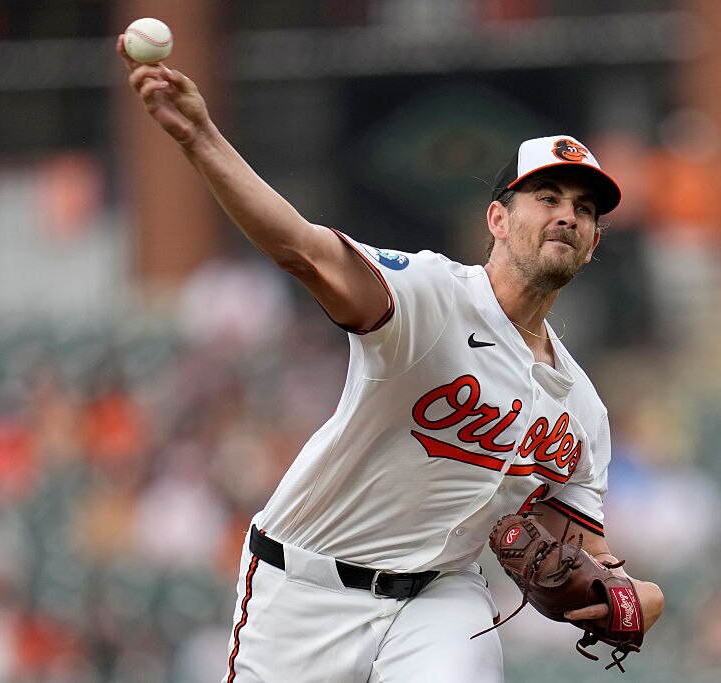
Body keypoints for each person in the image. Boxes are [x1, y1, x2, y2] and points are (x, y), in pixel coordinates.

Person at [117, 35, 664, 683]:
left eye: (584, 209)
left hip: (441, 598)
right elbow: (303, 250)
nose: (567, 215)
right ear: (497, 218)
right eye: (547, 198)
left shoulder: (581, 407)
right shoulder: (431, 298)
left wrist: (636, 599)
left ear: (596, 243)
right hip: (307, 583)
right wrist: (201, 138)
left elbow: (592, 556)